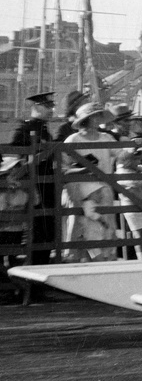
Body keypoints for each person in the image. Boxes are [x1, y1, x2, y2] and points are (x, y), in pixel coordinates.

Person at [61, 102, 119, 262]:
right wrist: (81, 170)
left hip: (103, 192)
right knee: (81, 230)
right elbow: (62, 168)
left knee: (104, 228)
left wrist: (134, 149)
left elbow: (121, 155)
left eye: (100, 116)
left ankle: (102, 263)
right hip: (80, 193)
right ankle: (78, 263)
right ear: (87, 119)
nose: (98, 119)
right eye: (95, 116)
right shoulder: (73, 140)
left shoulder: (107, 138)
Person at [8, 92, 59, 266]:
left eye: (51, 107)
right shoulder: (27, 129)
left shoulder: (42, 128)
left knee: (46, 227)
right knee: (40, 228)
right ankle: (36, 266)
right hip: (36, 183)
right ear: (36, 107)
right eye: (48, 107)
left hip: (46, 182)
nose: (51, 110)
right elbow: (17, 154)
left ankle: (40, 264)